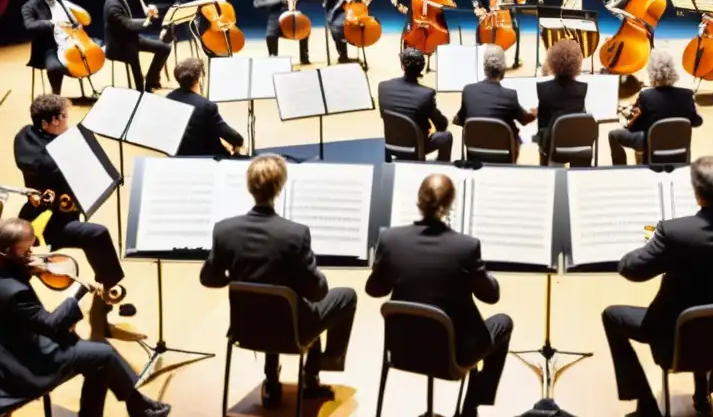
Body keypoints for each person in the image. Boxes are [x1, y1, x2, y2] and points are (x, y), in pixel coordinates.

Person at [602, 157, 713, 417]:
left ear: (697, 192)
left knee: (612, 316)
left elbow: (631, 269)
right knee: (710, 302)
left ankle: (645, 404)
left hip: (675, 342)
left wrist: (652, 245)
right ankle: (702, 393)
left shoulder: (674, 232)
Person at [200, 154, 357, 408]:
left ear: (250, 187)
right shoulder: (295, 234)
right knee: (345, 295)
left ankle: (271, 381)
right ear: (280, 187)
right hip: (290, 331)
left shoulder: (224, 230)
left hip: (245, 328)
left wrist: (240, 280)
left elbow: (208, 278)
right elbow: (317, 293)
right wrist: (319, 276)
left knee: (270, 298)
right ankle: (314, 371)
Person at [0, 219, 170, 417]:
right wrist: (77, 295)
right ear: (9, 251)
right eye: (27, 251)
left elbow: (17, 311)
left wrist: (24, 268)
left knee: (96, 354)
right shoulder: (12, 291)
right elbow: (51, 325)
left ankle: (135, 404)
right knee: (103, 356)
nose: (32, 255)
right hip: (23, 366)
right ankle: (134, 406)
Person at [366, 173, 513, 417]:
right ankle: (472, 406)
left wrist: (384, 265)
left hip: (403, 349)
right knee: (503, 323)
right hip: (453, 354)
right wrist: (485, 274)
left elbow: (374, 290)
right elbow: (491, 296)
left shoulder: (390, 240)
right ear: (450, 205)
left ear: (418, 201)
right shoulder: (466, 247)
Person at [13, 94, 142, 342]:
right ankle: (108, 292)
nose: (67, 124)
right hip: (48, 222)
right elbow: (51, 165)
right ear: (49, 122)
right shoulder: (49, 158)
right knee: (98, 234)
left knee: (93, 239)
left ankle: (104, 293)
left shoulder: (25, 134)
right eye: (64, 119)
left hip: (58, 211)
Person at [609, 48, 703, 165]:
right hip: (679, 150)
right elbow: (697, 122)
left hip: (653, 147)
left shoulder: (646, 96)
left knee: (613, 134)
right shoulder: (687, 95)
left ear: (652, 73)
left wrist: (633, 118)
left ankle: (620, 170)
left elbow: (635, 128)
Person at [453, 44, 537, 161]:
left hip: (474, 152)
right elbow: (524, 120)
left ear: (485, 69)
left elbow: (459, 120)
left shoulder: (468, 90)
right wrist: (535, 113)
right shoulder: (510, 95)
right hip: (503, 155)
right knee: (518, 137)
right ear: (502, 71)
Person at [378, 48, 453, 161]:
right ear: (421, 69)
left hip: (391, 144)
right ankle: (441, 166)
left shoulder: (383, 87)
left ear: (403, 66)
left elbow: (384, 115)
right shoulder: (426, 94)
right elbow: (442, 124)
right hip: (417, 147)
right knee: (446, 137)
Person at [103, 0, 170, 93]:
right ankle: (141, 89)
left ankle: (151, 79)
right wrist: (148, 20)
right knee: (132, 52)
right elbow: (128, 24)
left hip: (128, 37)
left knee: (165, 48)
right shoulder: (113, 5)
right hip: (118, 45)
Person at [165, 58, 244, 157]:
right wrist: (239, 141)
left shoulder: (168, 98)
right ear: (198, 79)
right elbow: (232, 137)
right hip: (203, 159)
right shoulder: (206, 106)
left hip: (176, 156)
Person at [21, 0, 75, 95]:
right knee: (55, 67)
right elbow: (29, 25)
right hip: (48, 47)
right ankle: (56, 97)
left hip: (67, 41)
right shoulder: (29, 6)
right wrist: (53, 23)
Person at [536, 39, 588, 163]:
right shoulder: (583, 89)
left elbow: (542, 123)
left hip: (552, 145)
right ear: (577, 63)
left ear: (552, 61)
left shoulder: (542, 88)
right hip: (577, 144)